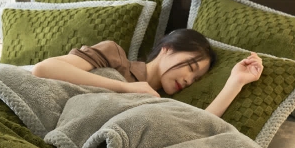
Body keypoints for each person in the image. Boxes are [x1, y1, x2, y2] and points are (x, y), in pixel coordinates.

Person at [32, 29, 263, 117]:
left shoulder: (161, 102)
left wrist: (236, 81)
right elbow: (44, 69)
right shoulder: (115, 56)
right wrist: (125, 87)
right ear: (168, 48)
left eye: (196, 79)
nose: (188, 80)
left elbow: (198, 124)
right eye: (190, 68)